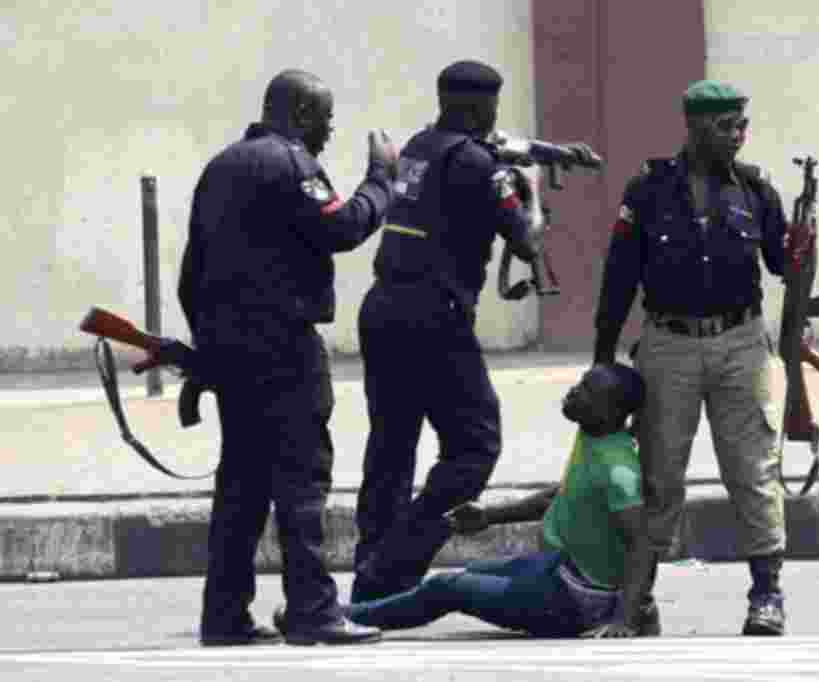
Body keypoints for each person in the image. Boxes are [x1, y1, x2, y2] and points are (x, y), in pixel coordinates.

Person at [177, 68, 398, 646]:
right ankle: (313, 612)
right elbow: (344, 227)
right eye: (324, 119)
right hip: (283, 348)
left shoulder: (220, 167)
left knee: (241, 486)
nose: (328, 132)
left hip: (231, 349)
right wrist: (382, 178)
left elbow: (190, 274)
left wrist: (209, 350)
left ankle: (223, 617)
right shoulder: (290, 163)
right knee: (301, 482)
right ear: (300, 114)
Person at [592, 79, 814, 636]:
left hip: (741, 342)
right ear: (692, 127)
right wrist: (602, 355)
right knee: (659, 475)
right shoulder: (648, 190)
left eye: (742, 125)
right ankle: (640, 598)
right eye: (725, 127)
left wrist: (802, 255)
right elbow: (619, 276)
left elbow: (785, 271)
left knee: (752, 471)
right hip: (667, 345)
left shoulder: (757, 190)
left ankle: (767, 595)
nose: (738, 136)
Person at [347, 60, 550, 603]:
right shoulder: (481, 165)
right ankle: (393, 567)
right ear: (482, 107)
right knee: (474, 446)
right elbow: (528, 242)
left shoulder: (420, 146)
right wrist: (532, 191)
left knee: (391, 447)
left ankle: (371, 565)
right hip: (434, 315)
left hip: (384, 307)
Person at [282, 363, 654, 638]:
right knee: (471, 575)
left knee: (447, 588)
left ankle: (336, 616)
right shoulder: (593, 435)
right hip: (560, 567)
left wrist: (625, 618)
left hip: (576, 600)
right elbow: (561, 497)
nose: (575, 392)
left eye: (588, 392)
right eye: (580, 383)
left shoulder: (617, 470)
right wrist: (488, 516)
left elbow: (641, 543)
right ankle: (338, 615)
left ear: (613, 413)